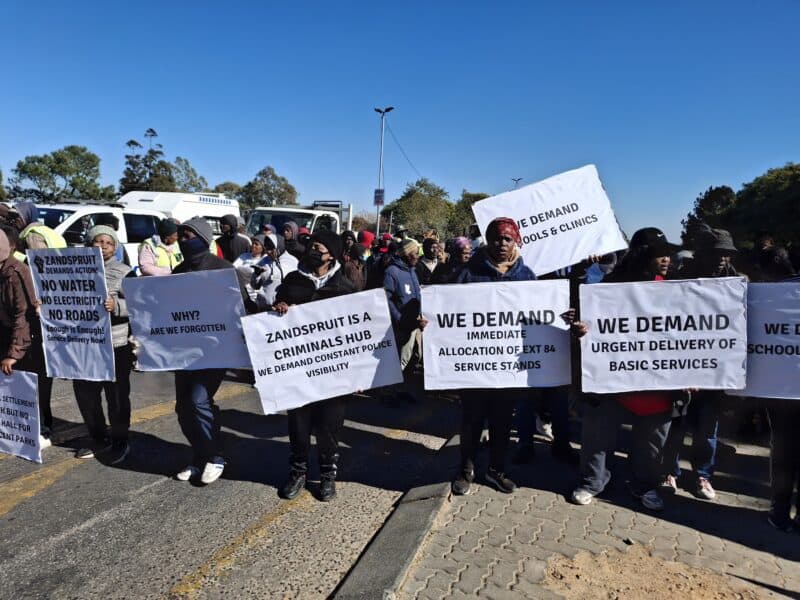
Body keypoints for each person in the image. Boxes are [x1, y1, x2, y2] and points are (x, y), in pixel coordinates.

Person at [571, 228, 685, 511]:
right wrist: (582, 327)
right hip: (614, 381)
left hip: (657, 385)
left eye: (668, 253)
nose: (667, 259)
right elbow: (590, 318)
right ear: (642, 255)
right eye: (660, 254)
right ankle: (592, 483)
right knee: (596, 438)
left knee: (651, 445)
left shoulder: (677, 288)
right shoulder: (612, 285)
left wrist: (692, 371)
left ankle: (644, 486)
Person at [451, 218, 537, 496]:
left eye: (508, 239)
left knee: (502, 423)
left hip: (509, 368)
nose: (502, 244)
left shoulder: (527, 276)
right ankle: (466, 470)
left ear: (516, 242)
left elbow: (539, 314)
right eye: (497, 238)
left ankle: (496, 470)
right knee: (471, 421)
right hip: (475, 366)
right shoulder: (468, 273)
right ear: (488, 241)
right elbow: (447, 313)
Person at [272, 230, 356, 502]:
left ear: (331, 253)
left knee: (329, 426)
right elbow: (275, 310)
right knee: (298, 423)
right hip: (299, 370)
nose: (312, 251)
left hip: (333, 373)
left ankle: (328, 475)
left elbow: (358, 329)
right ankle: (298, 471)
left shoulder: (345, 287)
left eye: (318, 247)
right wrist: (280, 307)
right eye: (311, 246)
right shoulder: (293, 281)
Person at [171, 218, 254, 485]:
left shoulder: (223, 269)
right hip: (184, 351)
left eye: (190, 235)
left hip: (215, 351)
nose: (184, 240)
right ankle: (198, 455)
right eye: (181, 235)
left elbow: (242, 306)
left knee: (198, 401)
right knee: (183, 408)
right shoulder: (178, 270)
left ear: (204, 239)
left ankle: (215, 455)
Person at [660, 227, 738, 501]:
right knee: (677, 426)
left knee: (707, 431)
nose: (722, 259)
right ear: (702, 253)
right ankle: (669, 472)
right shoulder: (678, 281)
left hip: (716, 372)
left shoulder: (737, 284)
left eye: (727, 254)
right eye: (717, 253)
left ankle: (702, 475)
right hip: (681, 367)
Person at [72, 226, 135, 464]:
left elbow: (140, 305)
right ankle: (98, 438)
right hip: (83, 344)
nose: (102, 247)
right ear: (89, 245)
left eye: (108, 243)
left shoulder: (125, 272)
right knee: (86, 395)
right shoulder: (75, 270)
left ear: (115, 247)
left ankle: (120, 441)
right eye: (97, 242)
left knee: (117, 398)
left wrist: (116, 306)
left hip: (115, 345)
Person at [384, 238, 427, 399]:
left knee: (415, 356)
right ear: (407, 253)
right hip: (401, 324)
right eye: (415, 253)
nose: (418, 256)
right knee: (399, 360)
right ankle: (389, 393)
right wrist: (399, 319)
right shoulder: (392, 272)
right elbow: (387, 299)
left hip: (415, 323)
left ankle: (403, 389)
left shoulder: (412, 271)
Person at [251, 233, 299, 309]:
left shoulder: (292, 261)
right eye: (266, 248)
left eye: (271, 249)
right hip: (263, 306)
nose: (268, 252)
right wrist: (256, 275)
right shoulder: (264, 261)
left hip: (282, 308)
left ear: (279, 246)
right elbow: (254, 286)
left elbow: (296, 286)